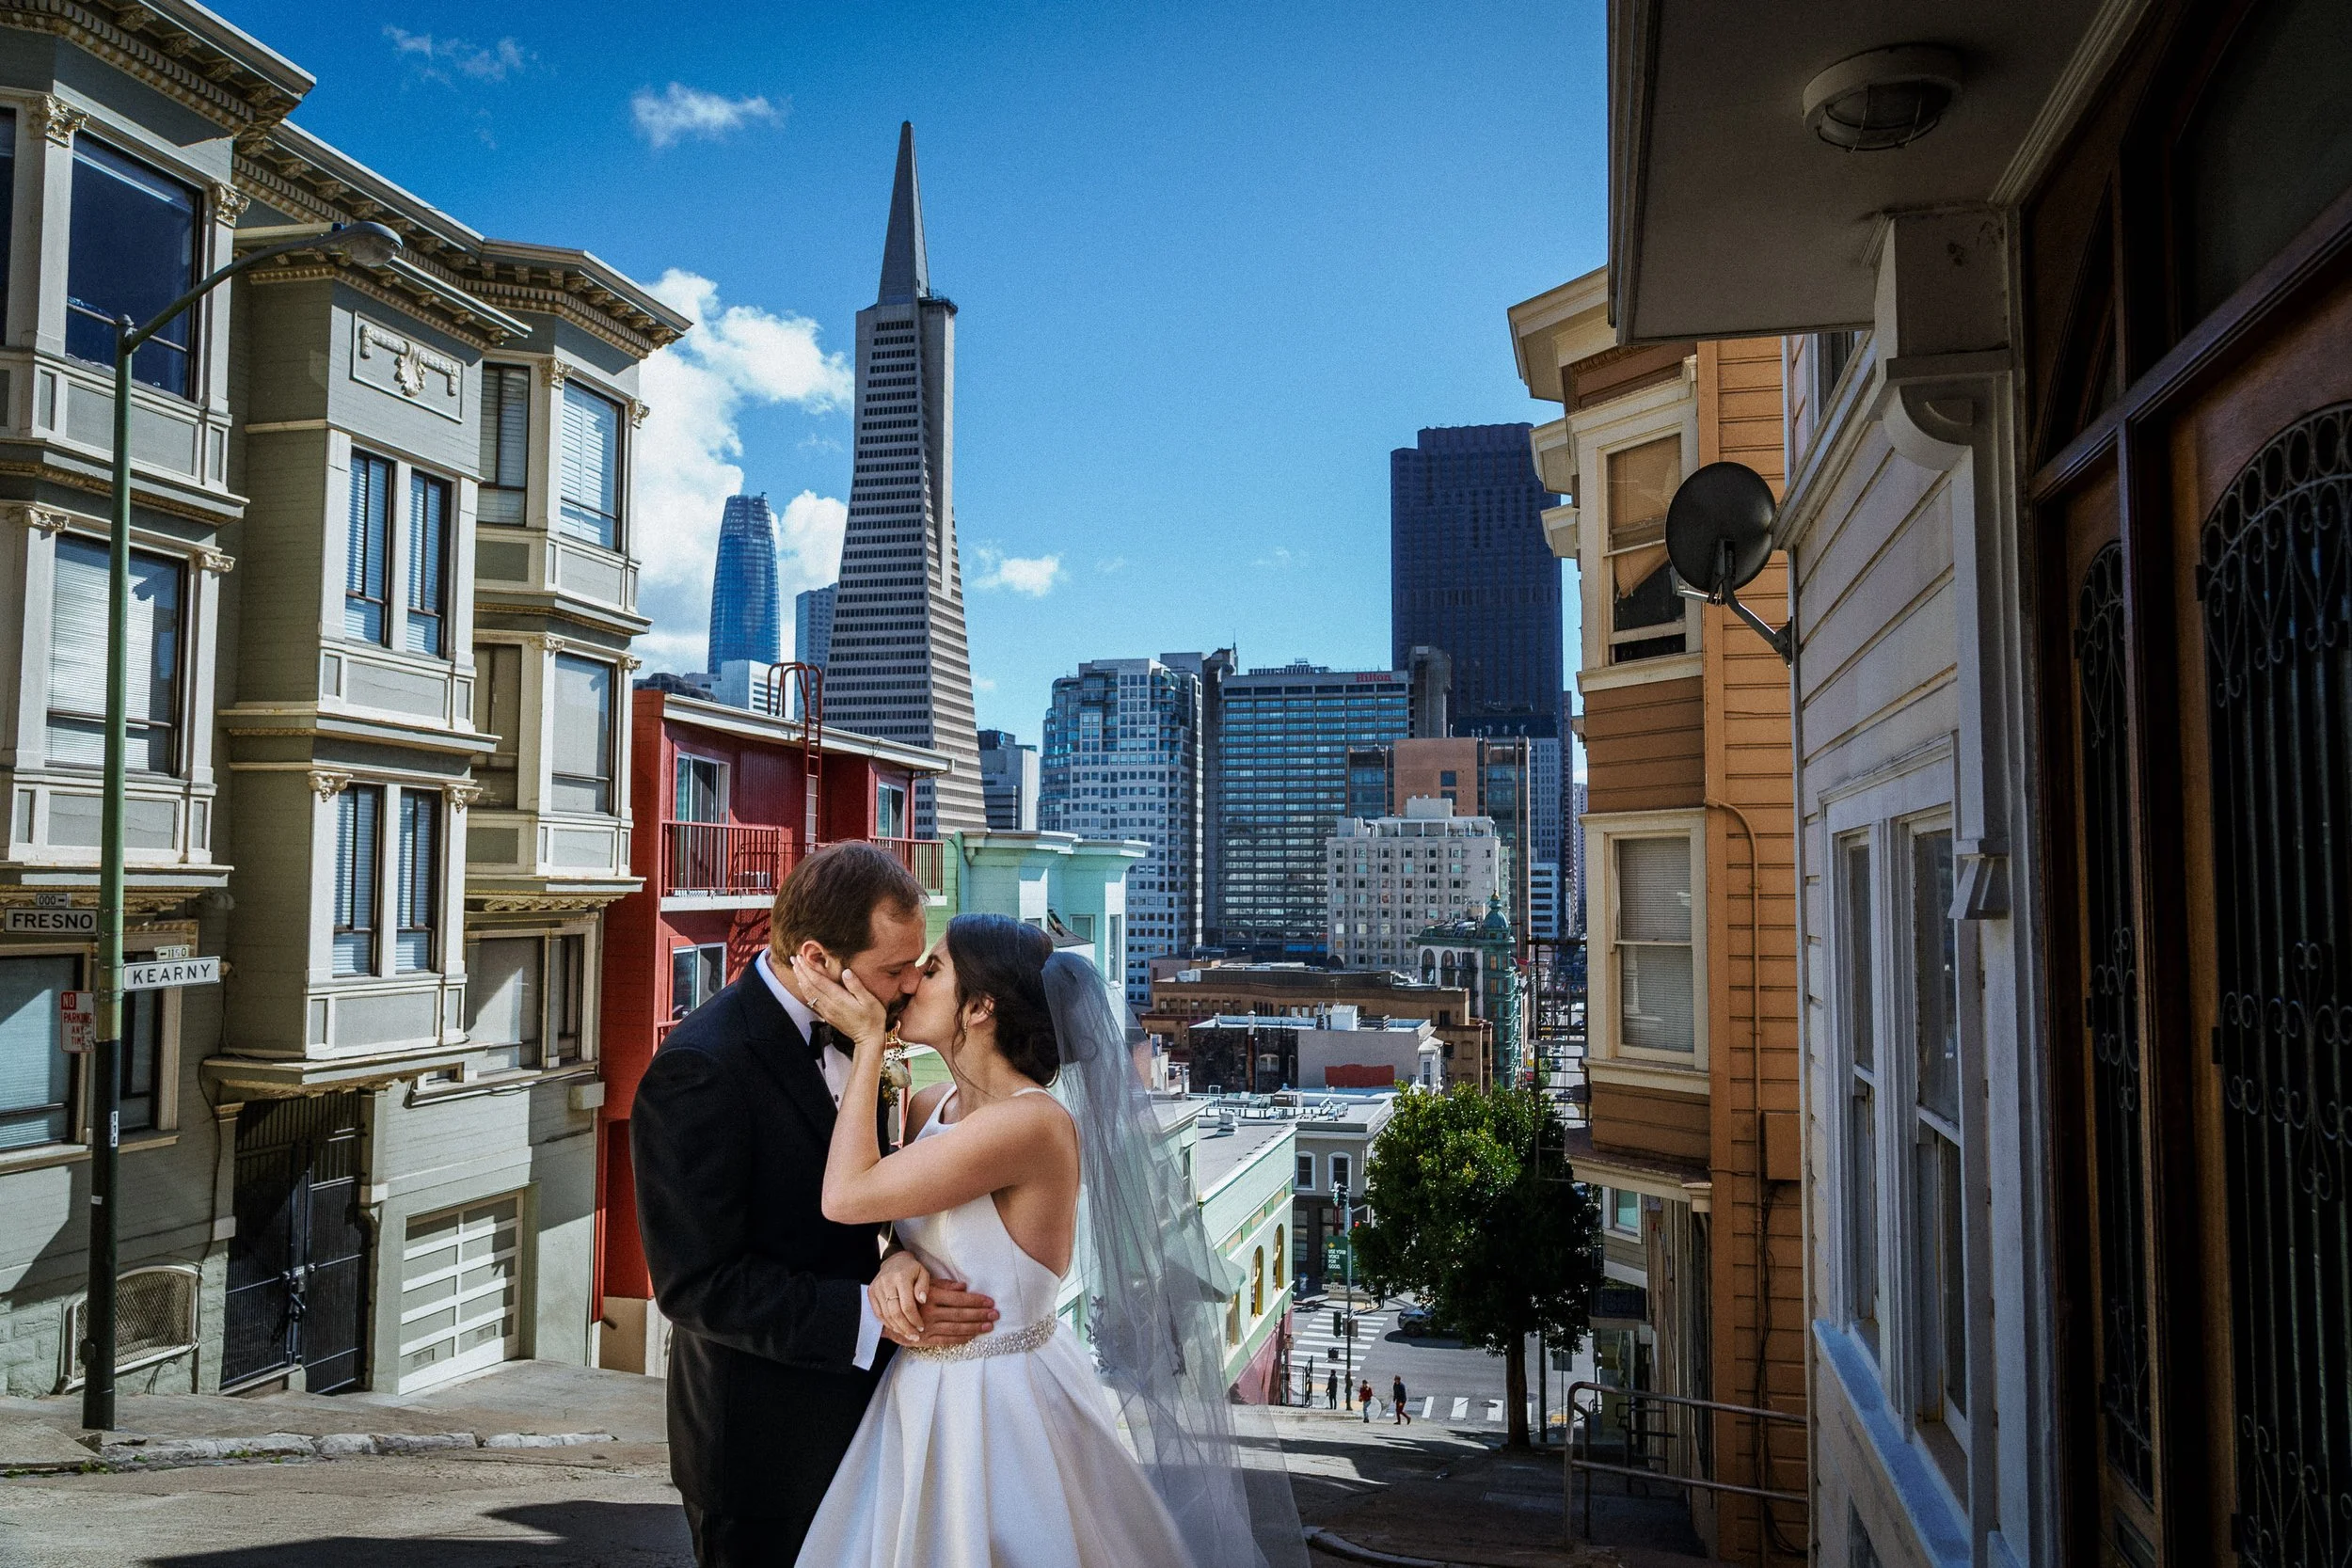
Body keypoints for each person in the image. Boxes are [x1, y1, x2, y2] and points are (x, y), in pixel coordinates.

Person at [792, 913, 1305, 1568]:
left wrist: (868, 1043)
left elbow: (845, 1196)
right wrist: (895, 1258)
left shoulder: (1032, 1125)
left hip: (1004, 1406)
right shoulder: (929, 1104)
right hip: (920, 1396)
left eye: (935, 967)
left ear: (980, 1008)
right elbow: (894, 1215)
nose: (914, 981)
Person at [631, 844, 1003, 1568]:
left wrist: (897, 1253)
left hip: (877, 1425)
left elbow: (868, 1193)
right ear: (818, 958)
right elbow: (696, 1286)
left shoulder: (867, 1037)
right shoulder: (699, 1069)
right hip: (761, 1452)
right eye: (893, 970)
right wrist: (879, 1316)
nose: (907, 988)